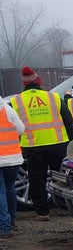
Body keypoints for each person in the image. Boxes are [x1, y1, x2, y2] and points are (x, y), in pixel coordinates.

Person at [9, 66, 73, 221]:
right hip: (57, 144)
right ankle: (64, 207)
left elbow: (11, 126)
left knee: (36, 179)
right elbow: (68, 121)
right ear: (38, 81)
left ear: (24, 84)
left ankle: (42, 212)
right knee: (60, 178)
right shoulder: (54, 97)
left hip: (33, 146)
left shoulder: (15, 101)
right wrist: (67, 139)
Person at [0, 101, 25, 238]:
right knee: (10, 188)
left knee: (1, 191)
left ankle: (4, 227)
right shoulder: (7, 109)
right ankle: (12, 220)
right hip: (12, 157)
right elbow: (21, 129)